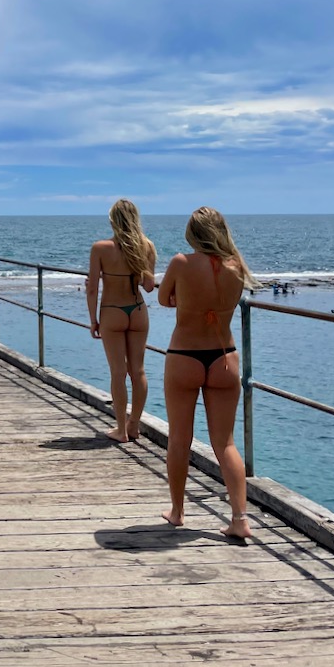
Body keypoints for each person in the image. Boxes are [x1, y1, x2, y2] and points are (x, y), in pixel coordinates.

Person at [158, 206, 258, 539]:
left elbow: (162, 298)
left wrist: (184, 300)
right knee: (225, 443)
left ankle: (177, 511)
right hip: (224, 359)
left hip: (184, 355)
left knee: (179, 439)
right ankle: (240, 519)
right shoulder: (237, 266)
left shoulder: (180, 263)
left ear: (193, 233)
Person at [86, 199, 157, 443]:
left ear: (113, 221)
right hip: (137, 310)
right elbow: (149, 287)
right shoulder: (147, 246)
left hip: (112, 311)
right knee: (138, 371)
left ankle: (120, 430)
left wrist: (93, 319)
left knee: (118, 372)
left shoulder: (100, 248)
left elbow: (93, 289)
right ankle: (134, 425)